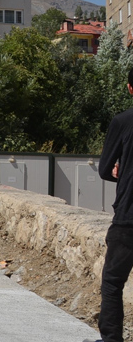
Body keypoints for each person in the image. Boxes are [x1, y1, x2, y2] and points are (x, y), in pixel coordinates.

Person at [95, 67, 133, 342]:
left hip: (129, 218)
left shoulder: (123, 121)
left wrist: (118, 169)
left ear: (130, 89)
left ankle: (112, 340)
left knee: (112, 282)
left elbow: (105, 169)